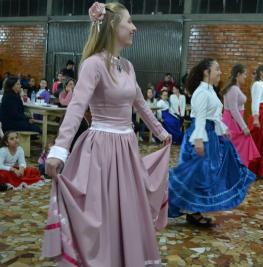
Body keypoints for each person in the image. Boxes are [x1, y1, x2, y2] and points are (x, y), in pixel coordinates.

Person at [42, 2, 172, 266]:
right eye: (129, 22)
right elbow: (77, 107)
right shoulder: (93, 65)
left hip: (126, 148)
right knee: (104, 212)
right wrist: (59, 149)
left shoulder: (128, 66)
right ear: (113, 25)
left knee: (127, 209)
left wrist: (161, 132)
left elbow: (139, 103)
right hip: (100, 150)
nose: (134, 27)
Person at [168, 58, 256, 227]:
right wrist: (199, 140)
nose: (220, 72)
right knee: (194, 176)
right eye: (217, 69)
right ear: (206, 72)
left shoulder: (210, 91)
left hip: (209, 135)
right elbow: (200, 119)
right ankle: (166, 199)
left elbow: (213, 116)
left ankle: (194, 211)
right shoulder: (202, 93)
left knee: (201, 177)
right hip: (201, 137)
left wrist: (223, 129)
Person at [221, 64, 260, 167]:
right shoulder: (233, 88)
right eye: (244, 74)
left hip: (234, 122)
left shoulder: (235, 87)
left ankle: (236, 171)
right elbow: (234, 110)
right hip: (232, 123)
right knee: (234, 149)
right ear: (238, 74)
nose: (245, 76)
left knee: (236, 150)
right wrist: (244, 127)